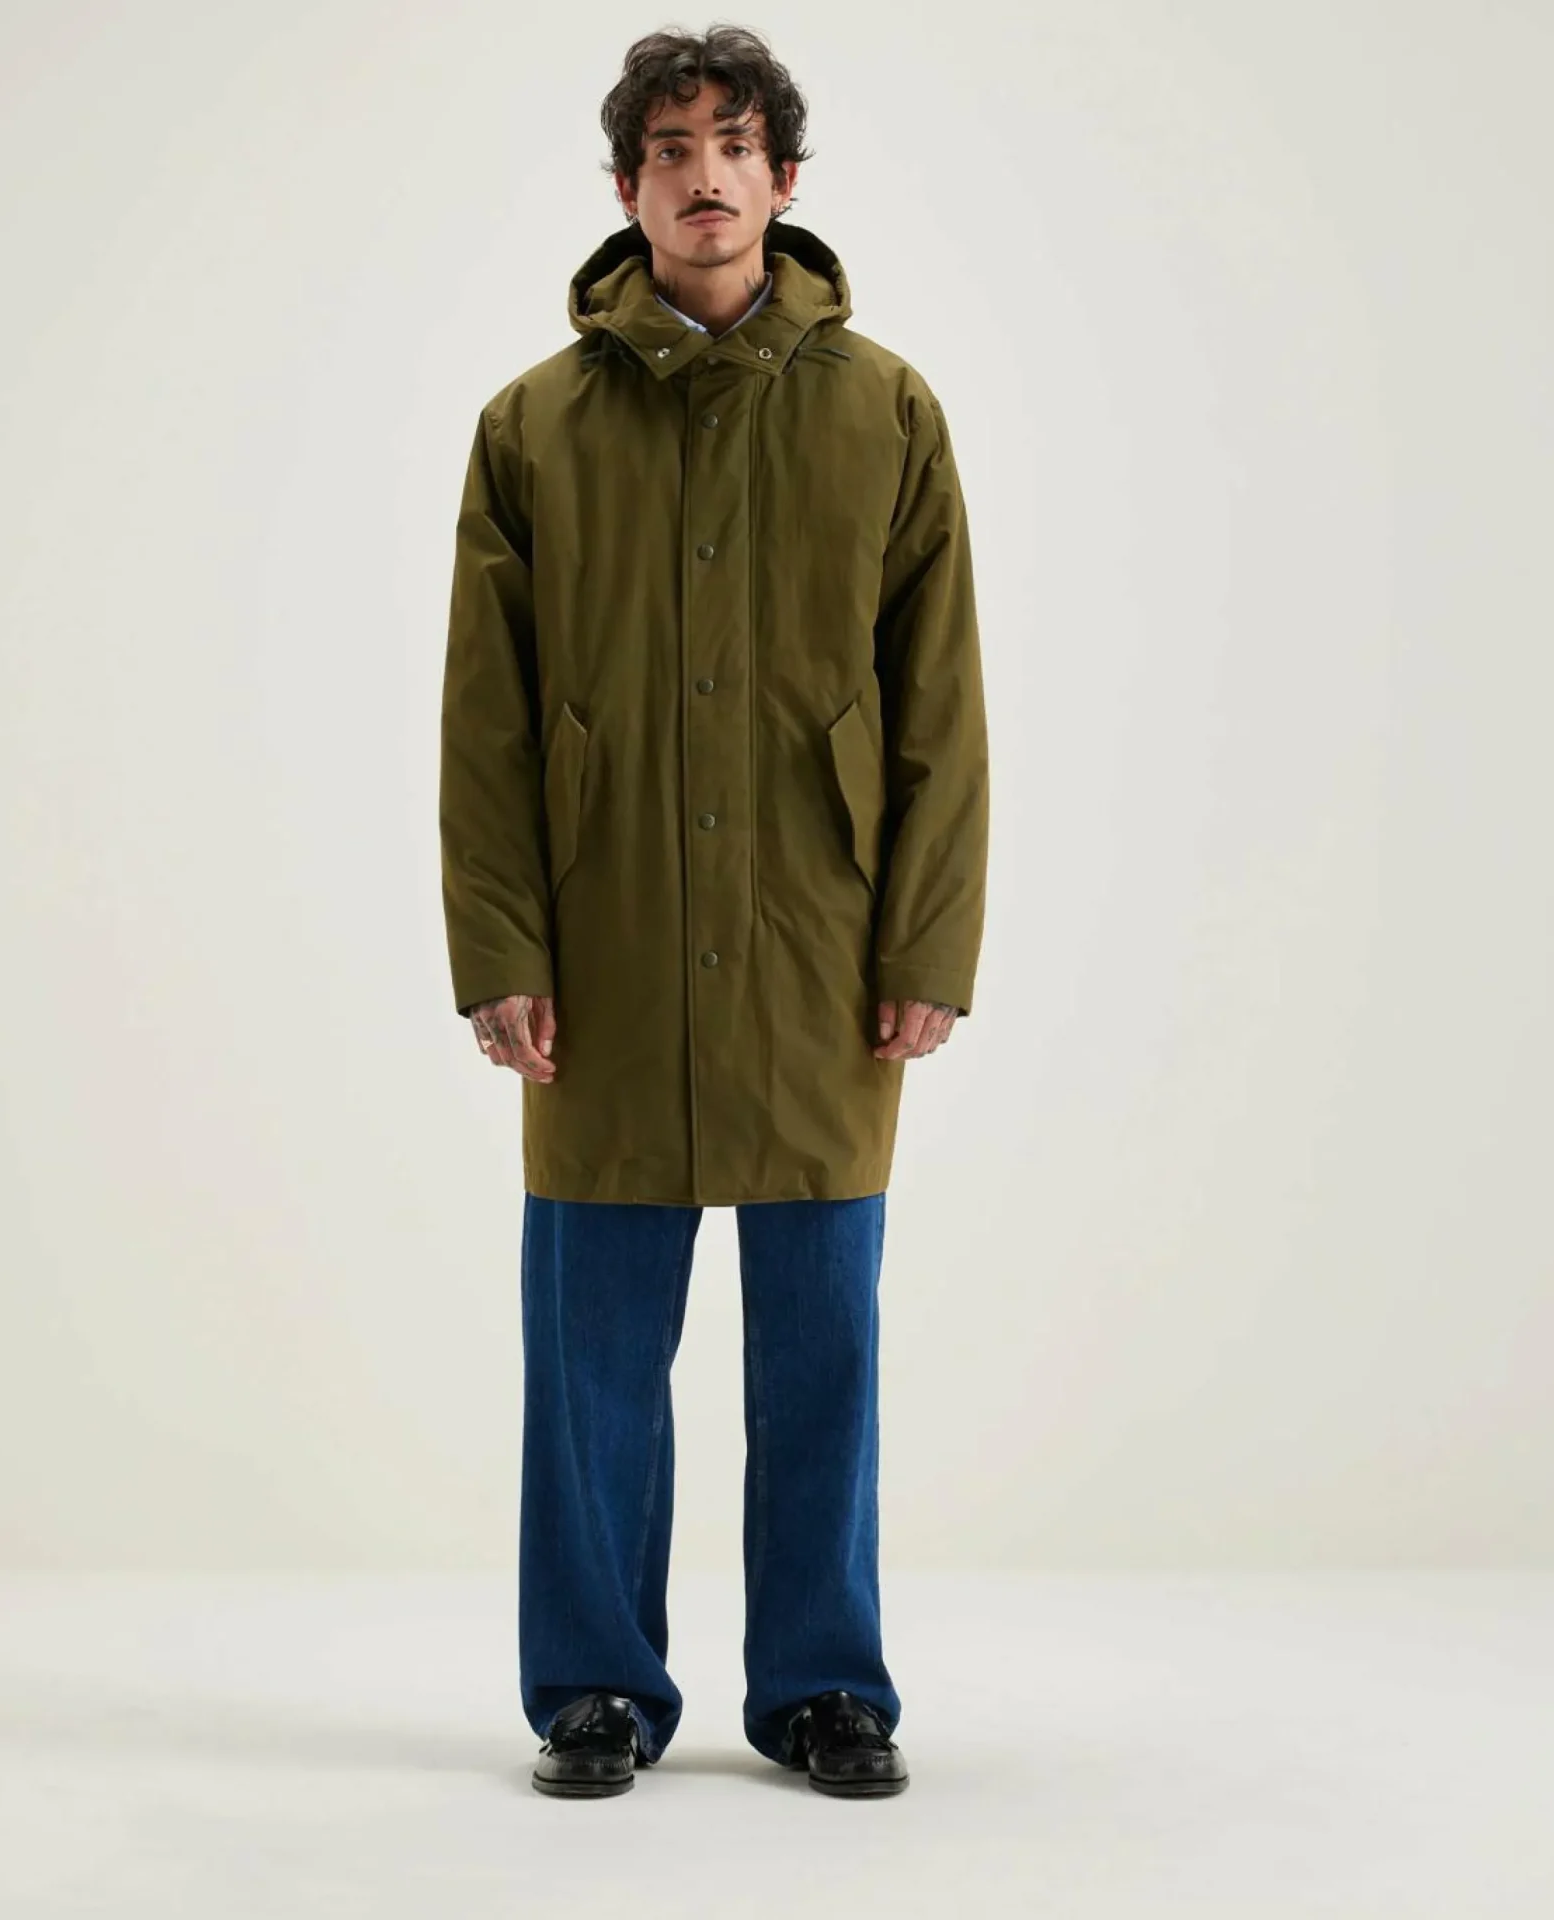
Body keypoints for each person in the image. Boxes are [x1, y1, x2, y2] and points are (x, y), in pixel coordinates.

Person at [436, 24, 989, 1801]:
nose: (703, 176)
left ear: (784, 178)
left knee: (824, 1344)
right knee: (593, 1351)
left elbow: (939, 704)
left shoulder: (885, 410)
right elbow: (487, 723)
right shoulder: (534, 426)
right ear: (627, 188)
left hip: (823, 946)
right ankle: (596, 1685)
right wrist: (501, 951)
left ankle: (826, 1686)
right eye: (669, 149)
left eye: (734, 145)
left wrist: (927, 944)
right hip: (600, 952)